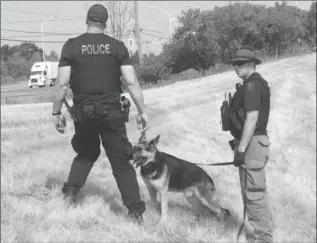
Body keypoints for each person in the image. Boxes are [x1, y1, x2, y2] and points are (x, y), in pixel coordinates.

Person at [52, 4, 148, 224]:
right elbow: (131, 82)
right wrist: (143, 111)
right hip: (112, 114)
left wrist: (56, 111)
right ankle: (135, 212)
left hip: (84, 115)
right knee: (121, 162)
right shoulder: (117, 47)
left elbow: (61, 84)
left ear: (87, 20)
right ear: (105, 23)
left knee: (86, 153)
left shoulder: (72, 46)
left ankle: (69, 194)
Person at [221, 49, 273, 242]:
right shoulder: (252, 84)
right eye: (235, 64)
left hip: (251, 144)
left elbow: (252, 118)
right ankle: (258, 231)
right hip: (250, 143)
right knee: (252, 191)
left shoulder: (251, 86)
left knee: (254, 194)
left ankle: (263, 238)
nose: (236, 67)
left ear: (252, 63)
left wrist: (241, 149)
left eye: (241, 64)